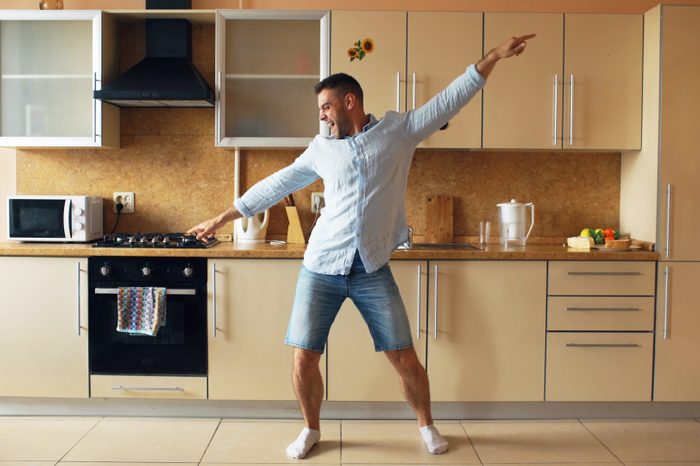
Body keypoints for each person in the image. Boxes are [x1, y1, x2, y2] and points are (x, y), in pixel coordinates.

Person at [189, 33, 535, 459]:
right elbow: (278, 182)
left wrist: (493, 57)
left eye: (326, 107)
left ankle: (427, 426)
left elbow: (450, 99)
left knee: (404, 357)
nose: (322, 116)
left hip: (371, 267)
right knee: (303, 358)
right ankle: (310, 428)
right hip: (320, 266)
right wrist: (224, 216)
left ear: (349, 101)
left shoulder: (399, 131)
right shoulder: (321, 149)